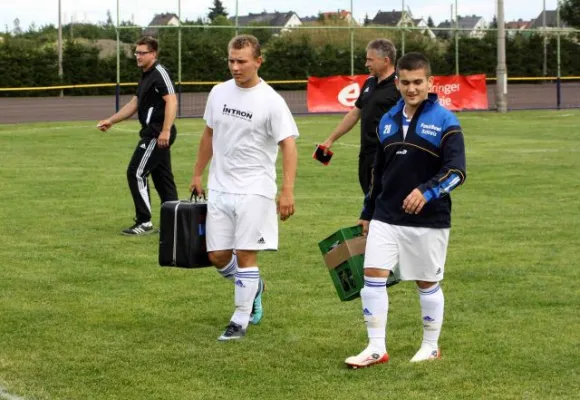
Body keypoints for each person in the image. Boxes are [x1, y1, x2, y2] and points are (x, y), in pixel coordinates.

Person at [344, 52, 466, 368]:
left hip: (429, 219)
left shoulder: (446, 121)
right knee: (372, 275)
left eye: (418, 82)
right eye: (406, 82)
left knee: (425, 282)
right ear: (397, 82)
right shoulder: (387, 121)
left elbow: (457, 172)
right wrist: (368, 210)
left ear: (430, 82)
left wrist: (427, 191)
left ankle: (430, 345)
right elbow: (377, 172)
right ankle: (375, 348)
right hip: (386, 215)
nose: (412, 89)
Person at [189, 34, 299, 341]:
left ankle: (239, 321)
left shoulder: (271, 101)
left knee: (246, 254)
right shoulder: (218, 92)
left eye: (242, 61)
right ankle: (256, 287)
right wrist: (198, 173)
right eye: (231, 60)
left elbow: (289, 146)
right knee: (218, 256)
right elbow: (208, 135)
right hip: (220, 187)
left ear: (258, 61)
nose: (235, 67)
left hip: (255, 188)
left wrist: (287, 190)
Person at [97, 36, 178, 235]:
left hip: (157, 133)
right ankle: (174, 223)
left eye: (142, 53)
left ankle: (144, 222)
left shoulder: (160, 73)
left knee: (136, 172)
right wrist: (111, 120)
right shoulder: (146, 75)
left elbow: (172, 102)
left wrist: (165, 130)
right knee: (162, 179)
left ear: (153, 54)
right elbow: (134, 104)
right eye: (136, 52)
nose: (138, 56)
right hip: (153, 133)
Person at [321, 38, 400, 195]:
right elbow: (355, 113)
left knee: (383, 203)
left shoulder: (400, 86)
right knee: (369, 201)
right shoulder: (369, 83)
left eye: (370, 60)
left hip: (386, 155)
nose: (366, 64)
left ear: (386, 61)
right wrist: (331, 139)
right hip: (366, 155)